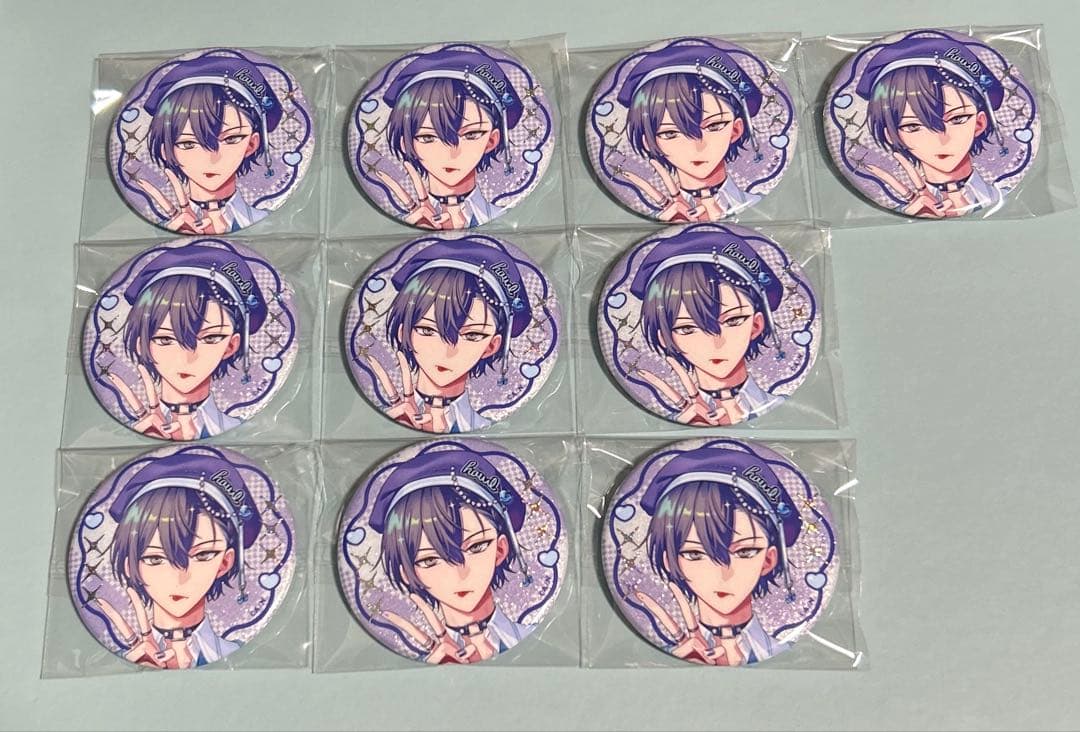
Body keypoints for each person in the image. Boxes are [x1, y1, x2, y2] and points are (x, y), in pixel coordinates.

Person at [91, 451, 262, 668]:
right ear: (130, 565)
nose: (179, 578)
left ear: (225, 563)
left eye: (202, 555)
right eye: (155, 559)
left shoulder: (235, 653)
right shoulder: (122, 656)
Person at [632, 446, 802, 665]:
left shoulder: (783, 649)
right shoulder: (673, 650)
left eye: (744, 552)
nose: (723, 574)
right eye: (695, 554)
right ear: (671, 562)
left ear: (769, 560)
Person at [371, 448, 535, 663]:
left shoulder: (530, 638)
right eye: (430, 560)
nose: (460, 573)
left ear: (500, 550)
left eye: (476, 547)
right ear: (408, 574)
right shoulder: (418, 656)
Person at [360, 239, 531, 433]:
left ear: (492, 346)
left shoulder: (482, 425)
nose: (447, 351)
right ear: (404, 333)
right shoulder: (381, 415)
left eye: (472, 335)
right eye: (427, 330)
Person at [627, 226, 786, 425]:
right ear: (665, 339)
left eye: (732, 321)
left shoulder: (778, 406)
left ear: (756, 325)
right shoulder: (677, 414)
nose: (715, 343)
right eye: (687, 328)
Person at [108, 245, 268, 440]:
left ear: (231, 346)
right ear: (142, 345)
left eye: (210, 338)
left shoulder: (235, 428)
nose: (187, 358)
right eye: (165, 339)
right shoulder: (132, 427)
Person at [856, 36, 1008, 217]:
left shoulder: (1002, 196)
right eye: (913, 126)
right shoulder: (903, 209)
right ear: (892, 135)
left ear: (980, 123)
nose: (941, 140)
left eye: (957, 119)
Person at [373, 48, 524, 228]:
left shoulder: (501, 217)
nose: (451, 153)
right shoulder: (401, 221)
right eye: (428, 137)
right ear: (406, 144)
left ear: (492, 141)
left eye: (470, 134)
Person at [131, 54, 283, 233]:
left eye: (230, 139)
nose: (211, 159)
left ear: (252, 144)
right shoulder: (160, 225)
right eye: (188, 143)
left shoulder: (265, 222)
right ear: (167, 151)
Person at [615, 42, 764, 220]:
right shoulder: (662, 213)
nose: (696, 146)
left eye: (713, 126)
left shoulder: (754, 205)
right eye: (670, 133)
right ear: (649, 142)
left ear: (736, 130)